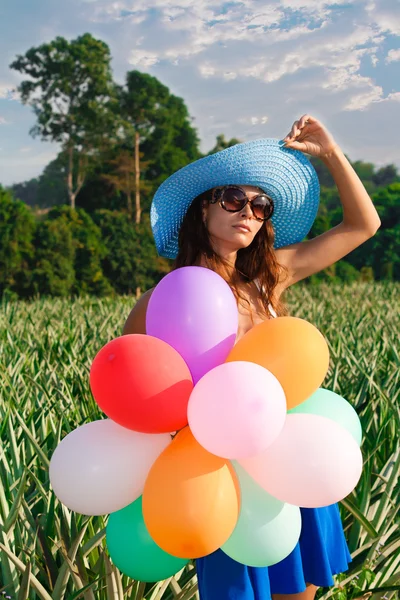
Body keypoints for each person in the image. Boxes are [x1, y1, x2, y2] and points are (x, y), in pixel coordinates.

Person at [123, 113, 381, 600]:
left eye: (261, 205)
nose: (249, 212)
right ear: (202, 210)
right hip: (216, 475)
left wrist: (330, 154)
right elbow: (135, 387)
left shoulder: (268, 276)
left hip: (286, 460)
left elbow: (363, 225)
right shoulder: (160, 299)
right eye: (234, 199)